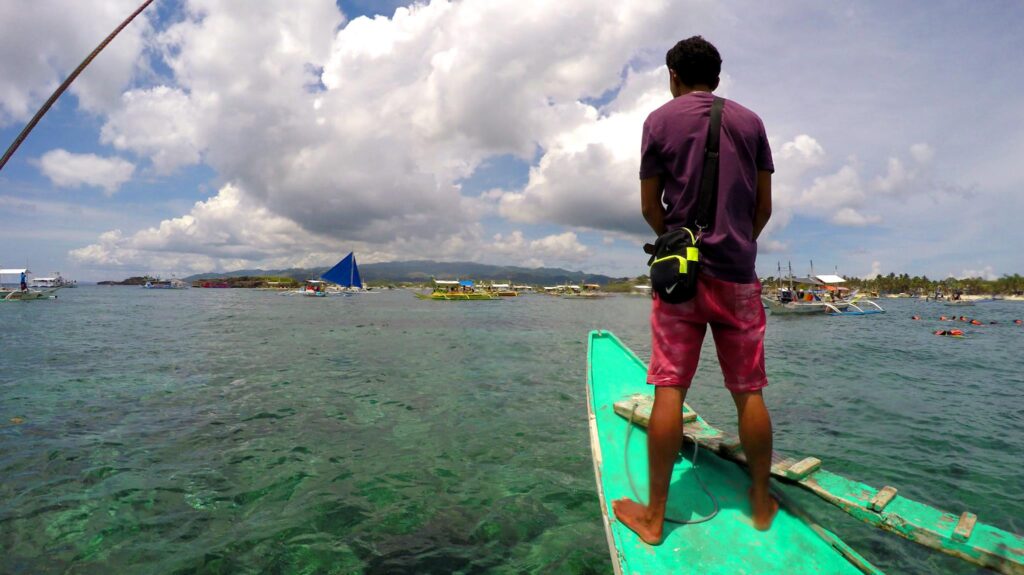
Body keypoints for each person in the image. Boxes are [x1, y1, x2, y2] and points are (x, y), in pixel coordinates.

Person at [613, 36, 776, 544]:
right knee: (748, 391)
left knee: (669, 388)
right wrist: (736, 245)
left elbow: (648, 205)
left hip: (678, 277)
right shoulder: (752, 123)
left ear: (673, 76)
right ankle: (760, 502)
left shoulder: (658, 122)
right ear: (718, 78)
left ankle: (655, 518)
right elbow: (763, 207)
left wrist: (675, 241)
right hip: (738, 276)